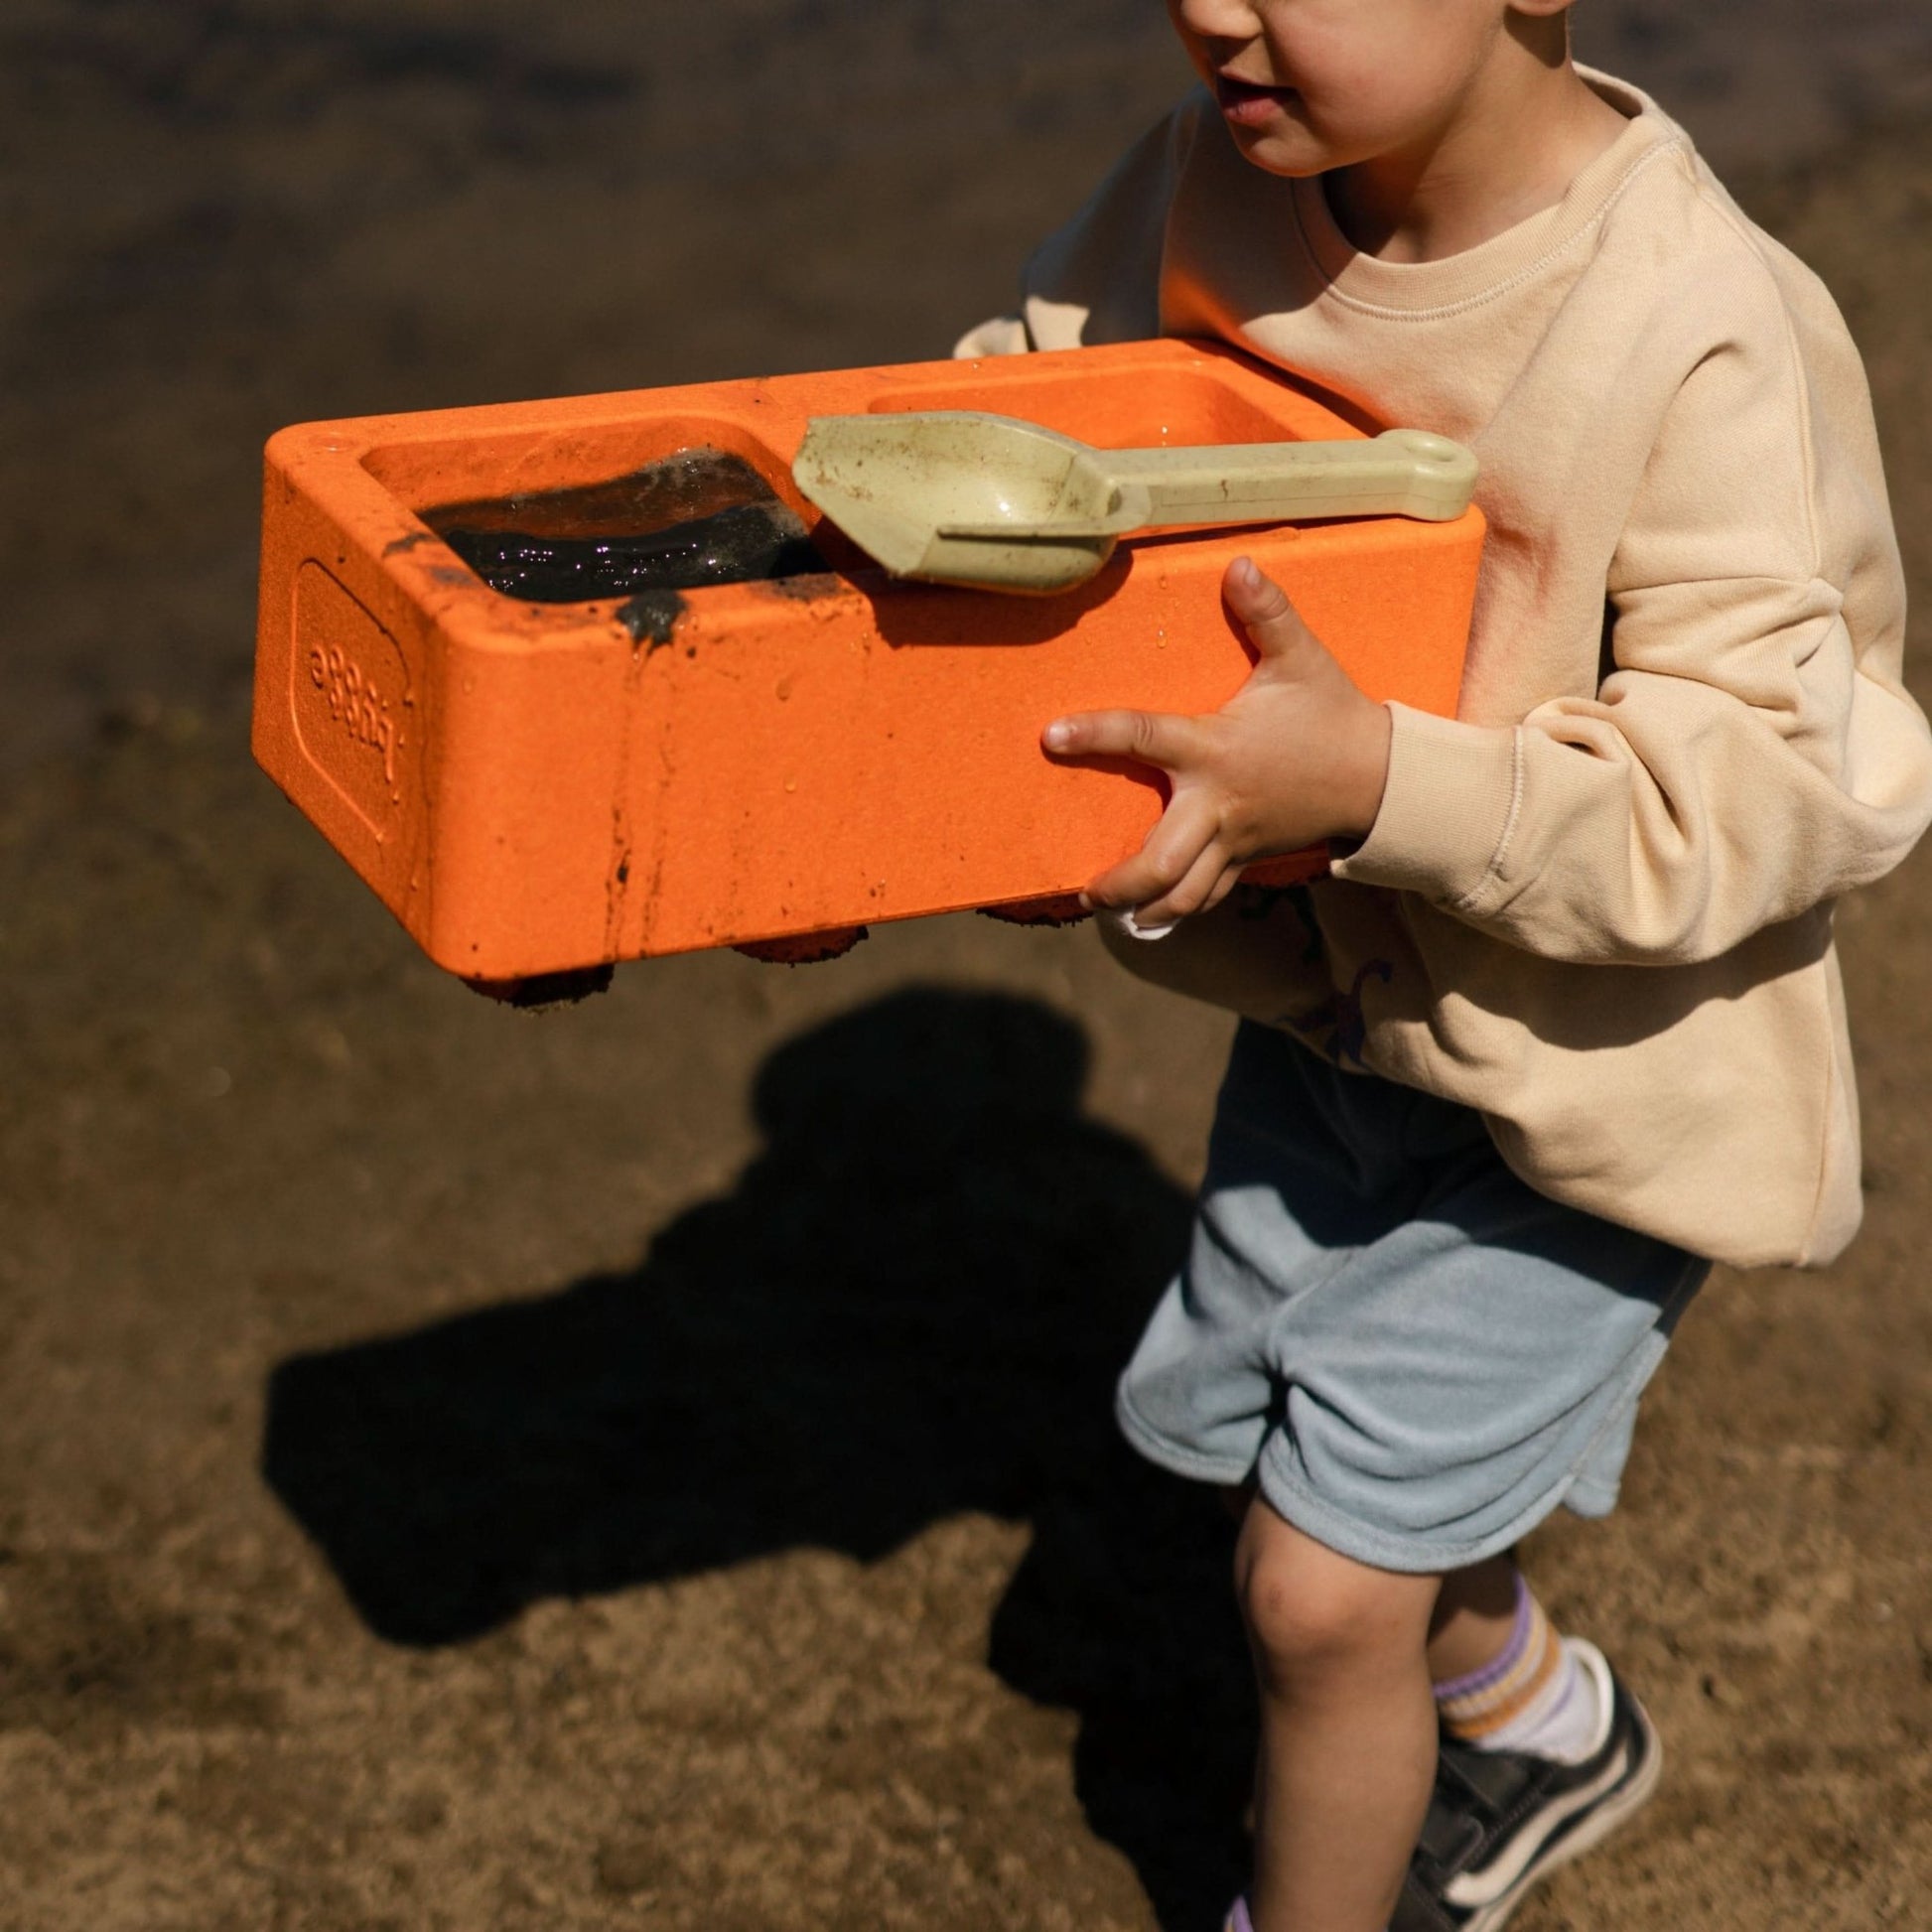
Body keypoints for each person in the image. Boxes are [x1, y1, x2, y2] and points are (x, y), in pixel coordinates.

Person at [957, 3, 1932, 1929]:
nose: (1216, 5)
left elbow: (1772, 783)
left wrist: (1384, 779)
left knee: (1313, 1594)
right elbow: (1016, 419)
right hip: (1339, 1026)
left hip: (1597, 1093)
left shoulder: (1695, 317)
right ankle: (1528, 1709)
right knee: (1300, 1448)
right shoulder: (1204, 182)